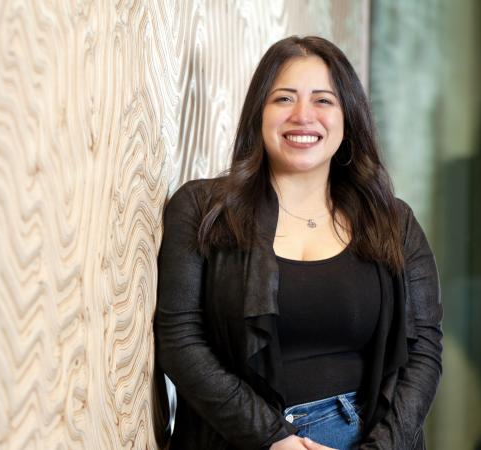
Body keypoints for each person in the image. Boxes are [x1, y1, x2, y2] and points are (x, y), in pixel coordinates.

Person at [154, 35, 442, 450]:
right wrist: (274, 439)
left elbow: (424, 350)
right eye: (284, 99)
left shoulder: (393, 222)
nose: (303, 116)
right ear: (259, 113)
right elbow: (180, 340)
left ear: (348, 117)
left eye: (323, 100)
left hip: (365, 436)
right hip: (241, 437)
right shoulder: (202, 208)